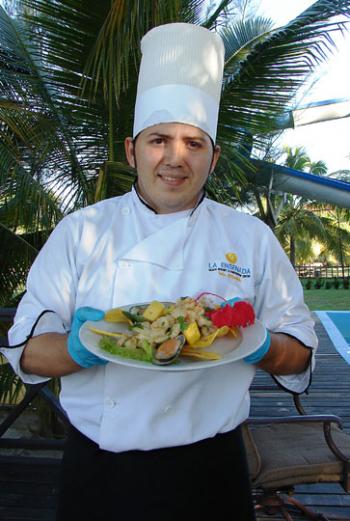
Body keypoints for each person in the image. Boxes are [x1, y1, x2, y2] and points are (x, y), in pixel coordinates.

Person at [2, 23, 317, 521]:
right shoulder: (82, 232)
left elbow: (298, 356)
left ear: (213, 158)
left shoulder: (250, 238)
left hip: (211, 468)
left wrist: (262, 343)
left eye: (194, 143)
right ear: (132, 151)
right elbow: (29, 354)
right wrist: (83, 345)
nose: (175, 158)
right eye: (159, 140)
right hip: (101, 471)